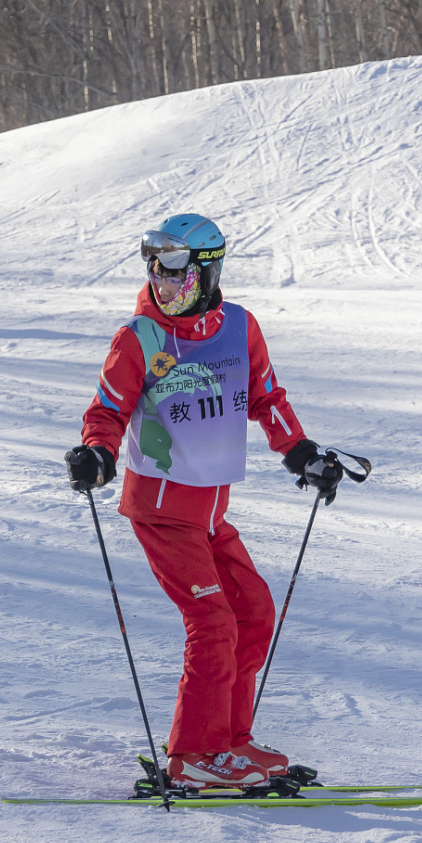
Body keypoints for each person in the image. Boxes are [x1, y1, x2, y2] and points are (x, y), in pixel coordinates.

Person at [64, 214, 345, 790]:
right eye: (156, 272)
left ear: (208, 272)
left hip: (211, 515)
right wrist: (97, 454)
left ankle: (229, 743)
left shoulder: (239, 328)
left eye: (175, 273)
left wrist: (303, 453)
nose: (162, 286)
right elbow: (106, 412)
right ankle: (193, 754)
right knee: (212, 621)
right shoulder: (139, 337)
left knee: (253, 612)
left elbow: (267, 397)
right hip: (162, 512)